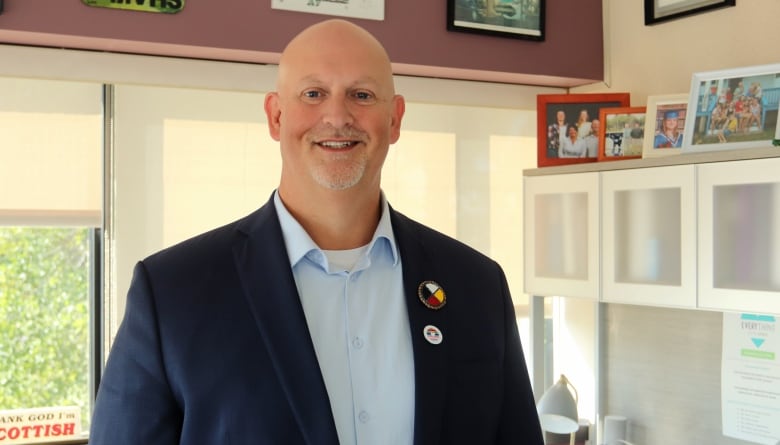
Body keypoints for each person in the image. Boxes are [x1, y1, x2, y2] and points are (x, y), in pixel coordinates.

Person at [89, 19, 543, 445]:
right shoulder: (172, 292)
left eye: (362, 95)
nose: (337, 115)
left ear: (395, 119)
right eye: (312, 93)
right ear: (275, 116)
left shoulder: (476, 286)